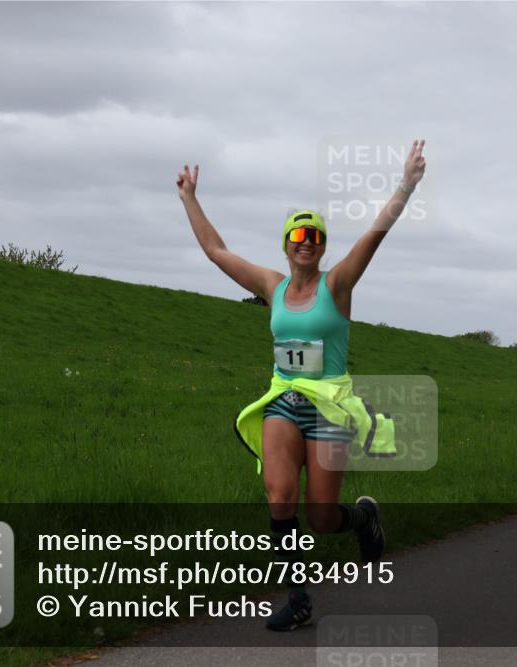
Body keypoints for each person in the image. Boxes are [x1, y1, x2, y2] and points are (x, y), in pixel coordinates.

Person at [175, 140, 427, 631]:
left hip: (330, 406)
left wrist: (407, 184)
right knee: (279, 495)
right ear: (287, 244)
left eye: (315, 235)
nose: (306, 240)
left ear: (322, 246)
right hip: (283, 401)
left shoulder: (338, 286)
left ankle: (362, 520)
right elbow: (215, 251)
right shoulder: (272, 287)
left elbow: (375, 234)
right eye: (298, 234)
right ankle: (298, 599)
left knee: (321, 518)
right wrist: (189, 197)